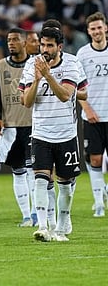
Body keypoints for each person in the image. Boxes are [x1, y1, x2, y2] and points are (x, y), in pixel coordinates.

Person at [21, 27, 81, 242]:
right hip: (40, 133)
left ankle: (63, 223)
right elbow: (26, 103)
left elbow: (66, 95)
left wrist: (48, 75)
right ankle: (44, 226)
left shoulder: (71, 64)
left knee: (65, 184)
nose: (44, 50)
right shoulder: (31, 64)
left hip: (66, 133)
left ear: (59, 47)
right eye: (42, 44)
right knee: (40, 179)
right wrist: (37, 79)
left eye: (49, 45)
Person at [0, 28, 35, 227]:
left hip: (34, 124)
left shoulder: (36, 64)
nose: (11, 43)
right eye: (9, 40)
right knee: (18, 170)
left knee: (35, 171)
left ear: (25, 42)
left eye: (16, 39)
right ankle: (27, 216)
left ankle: (37, 214)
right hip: (12, 126)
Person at [76, 11, 108, 217]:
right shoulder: (82, 54)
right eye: (92, 28)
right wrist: (86, 108)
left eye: (99, 27)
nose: (96, 31)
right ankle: (98, 203)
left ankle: (104, 192)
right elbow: (76, 86)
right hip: (92, 116)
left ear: (106, 28)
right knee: (95, 160)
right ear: (88, 32)